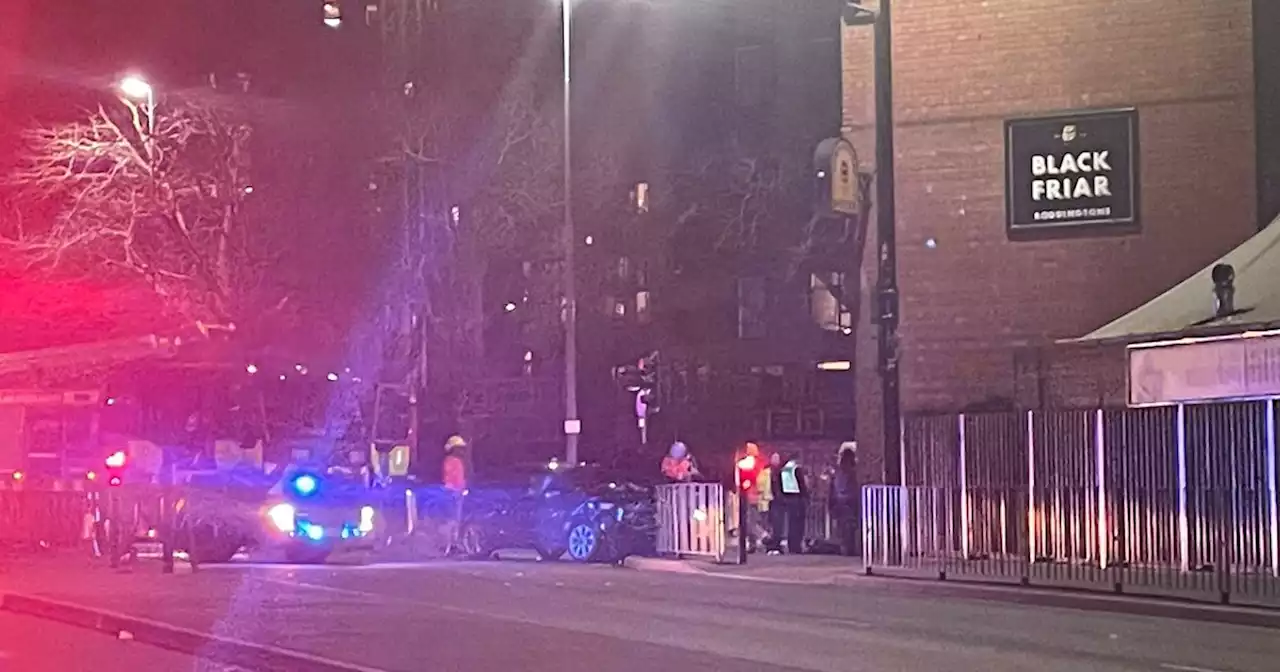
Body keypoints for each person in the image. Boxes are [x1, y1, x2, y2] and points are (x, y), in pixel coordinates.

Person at [772, 454, 808, 554]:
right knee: (798, 524)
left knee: (791, 524)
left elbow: (778, 485)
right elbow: (802, 484)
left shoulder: (783, 469)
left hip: (786, 498)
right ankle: (796, 546)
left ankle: (792, 545)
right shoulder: (796, 468)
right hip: (797, 498)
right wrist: (805, 496)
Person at [829, 446, 860, 557]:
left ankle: (846, 548)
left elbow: (833, 489)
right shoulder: (852, 472)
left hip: (840, 502)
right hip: (850, 501)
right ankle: (849, 549)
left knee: (844, 527)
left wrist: (832, 504)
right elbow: (854, 487)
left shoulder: (838, 473)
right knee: (850, 526)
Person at [442, 435, 468, 555]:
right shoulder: (451, 461)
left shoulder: (456, 461)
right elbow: (449, 479)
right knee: (453, 520)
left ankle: (454, 543)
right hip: (453, 494)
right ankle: (451, 544)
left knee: (456, 520)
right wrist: (453, 491)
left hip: (457, 493)